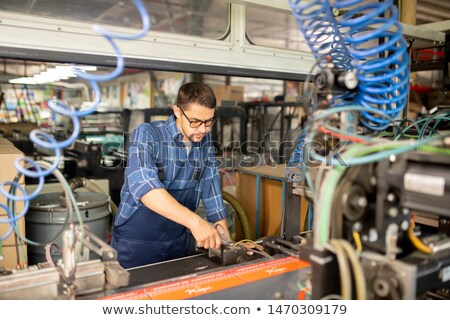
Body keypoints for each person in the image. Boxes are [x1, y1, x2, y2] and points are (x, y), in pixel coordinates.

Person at [111, 82, 228, 269]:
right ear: (177, 111)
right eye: (195, 121)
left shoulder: (205, 146)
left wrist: (227, 245)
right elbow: (145, 188)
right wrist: (195, 222)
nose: (202, 130)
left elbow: (213, 200)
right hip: (137, 243)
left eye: (209, 122)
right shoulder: (147, 134)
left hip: (178, 242)